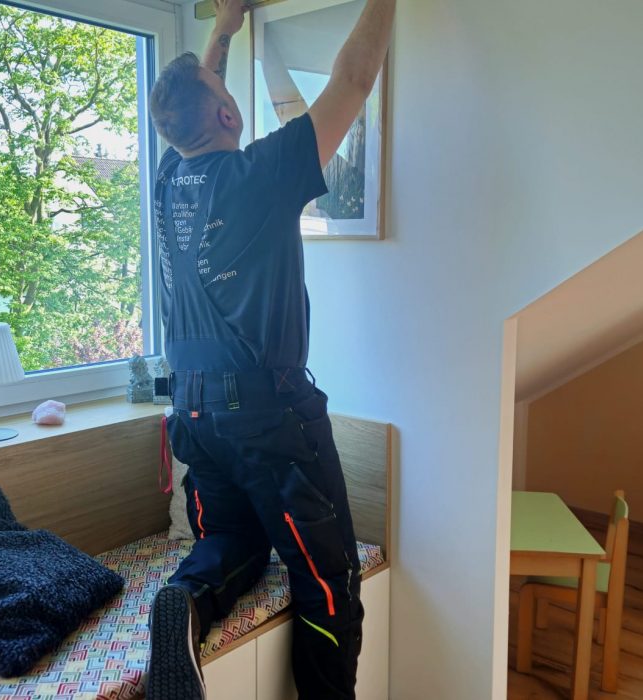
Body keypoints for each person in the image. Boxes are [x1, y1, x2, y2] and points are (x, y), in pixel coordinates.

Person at [146, 0, 395, 697]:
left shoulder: (168, 182)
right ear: (228, 115)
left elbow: (194, 104)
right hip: (269, 422)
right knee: (328, 581)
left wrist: (224, 28)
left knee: (234, 543)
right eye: (223, 94)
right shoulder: (260, 175)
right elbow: (353, 80)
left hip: (195, 417)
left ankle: (185, 600)